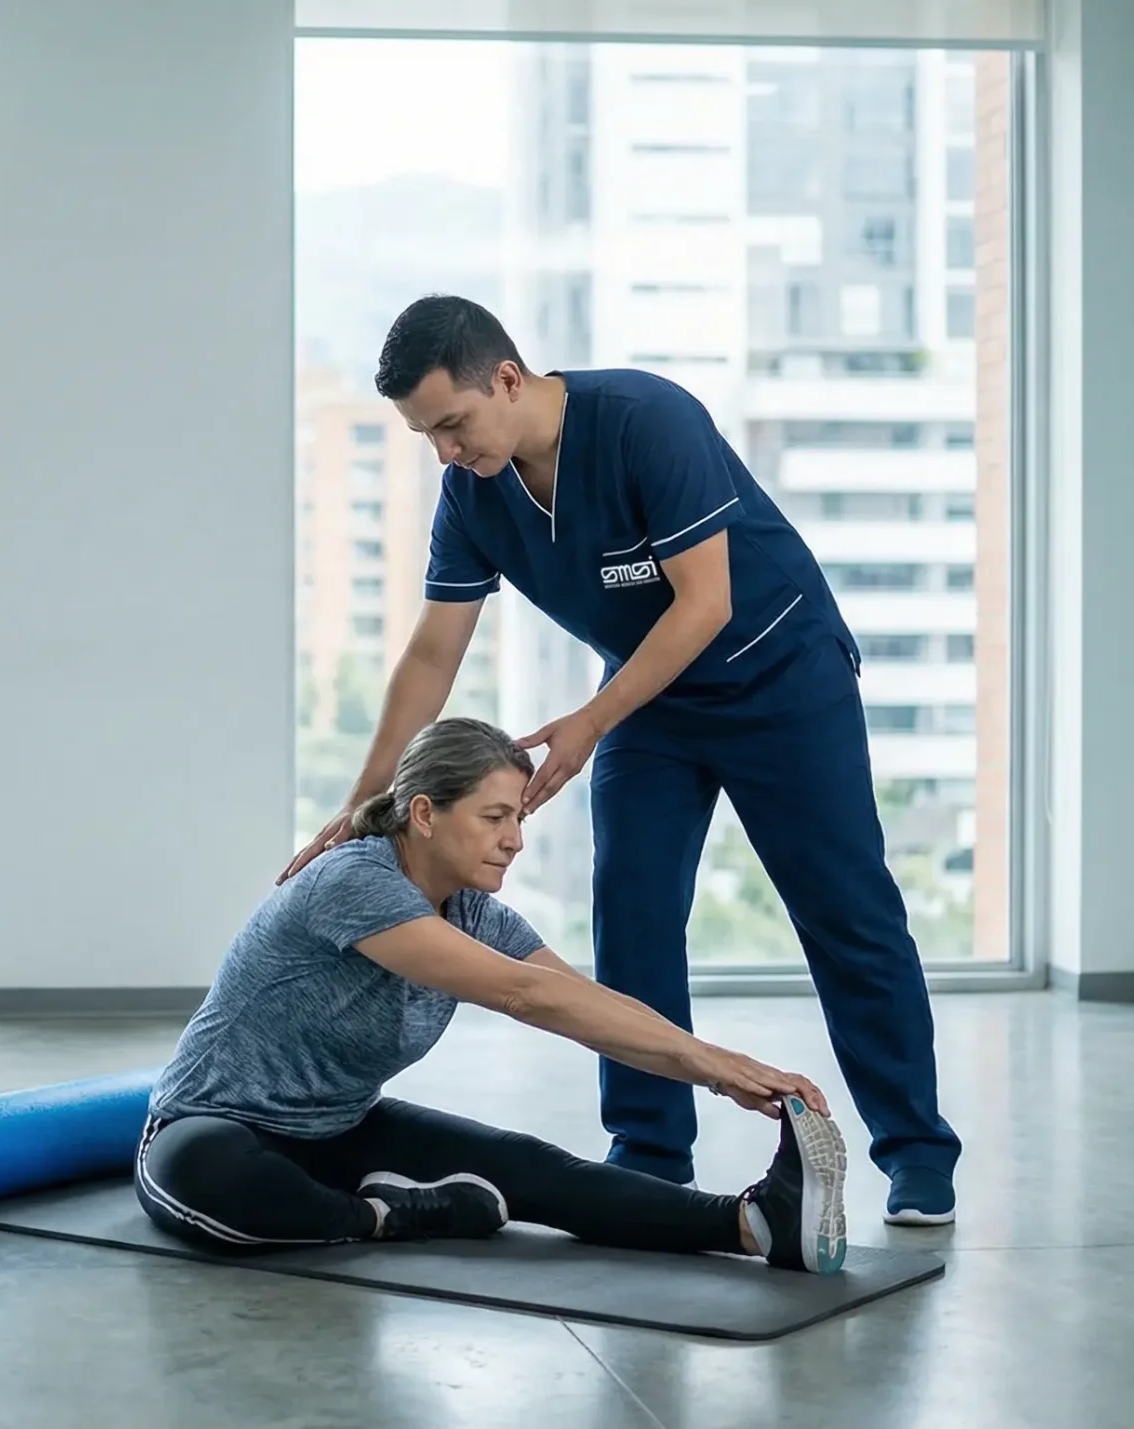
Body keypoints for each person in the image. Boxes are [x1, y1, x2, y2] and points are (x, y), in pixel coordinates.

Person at [281, 295, 961, 1226]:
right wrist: (365, 801)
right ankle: (650, 1146)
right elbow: (433, 653)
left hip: (780, 677)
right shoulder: (474, 494)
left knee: (847, 911)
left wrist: (589, 723)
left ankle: (917, 1149)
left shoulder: (648, 420)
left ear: (507, 379)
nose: (445, 450)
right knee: (633, 913)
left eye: (452, 423)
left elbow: (706, 602)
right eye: (425, 434)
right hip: (650, 698)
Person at [141, 718, 849, 1274]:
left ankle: (754, 1223)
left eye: (519, 820)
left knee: (531, 1164)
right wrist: (717, 1068)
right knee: (214, 1176)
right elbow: (522, 993)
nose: (513, 841)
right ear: (424, 813)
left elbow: (586, 1005)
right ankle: (389, 1216)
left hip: (341, 1130)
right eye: (494, 817)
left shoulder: (475, 912)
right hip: (213, 1124)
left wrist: (723, 1069)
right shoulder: (353, 881)